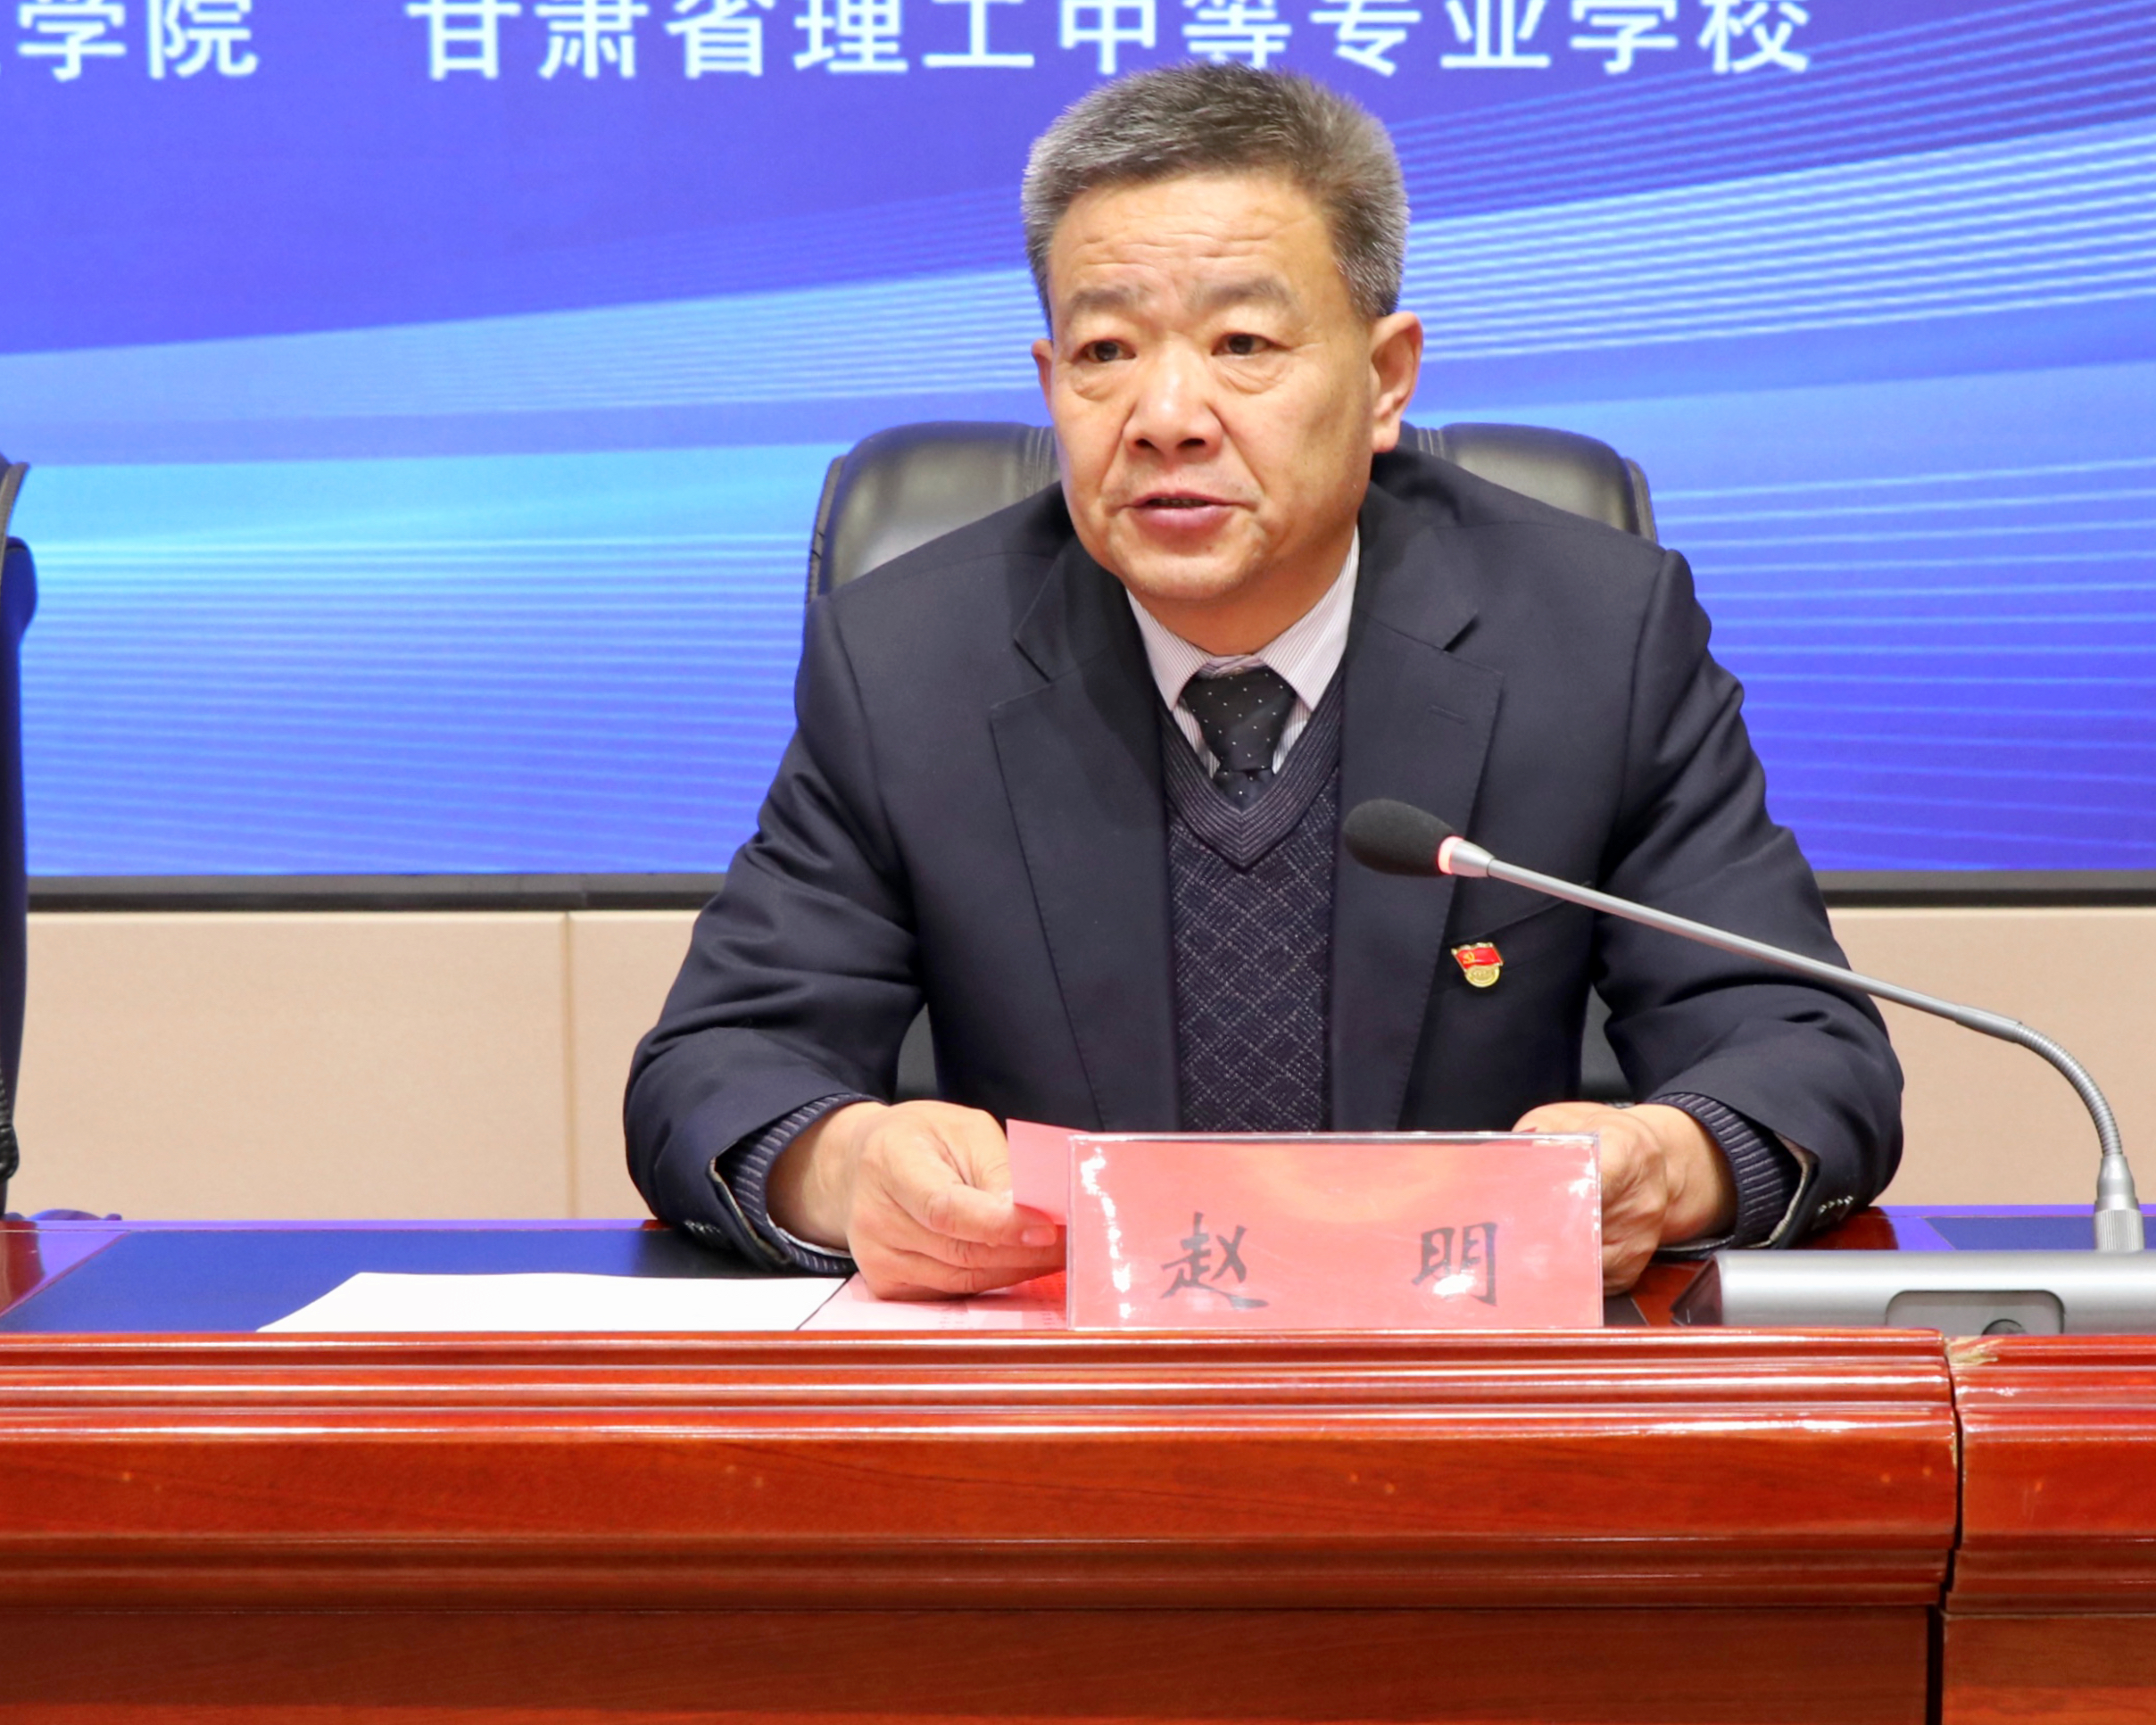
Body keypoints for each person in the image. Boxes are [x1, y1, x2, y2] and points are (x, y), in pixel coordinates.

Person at [626, 62, 1903, 1298]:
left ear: (1385, 378)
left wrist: (1666, 1165)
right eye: (1106, 351)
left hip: (1466, 1376)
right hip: (1070, 1387)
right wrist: (845, 1165)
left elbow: (1804, 1048)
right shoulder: (909, 660)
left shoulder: (1592, 634)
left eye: (1242, 341)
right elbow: (714, 1066)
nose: (1165, 415)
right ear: (1052, 384)